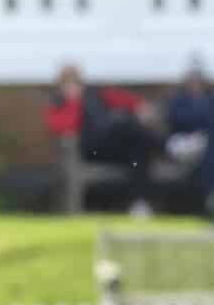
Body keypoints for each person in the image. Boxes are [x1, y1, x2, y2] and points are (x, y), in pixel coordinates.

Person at [45, 64, 162, 218]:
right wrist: (76, 104)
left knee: (138, 148)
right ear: (61, 86)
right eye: (68, 84)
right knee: (125, 124)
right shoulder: (58, 104)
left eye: (75, 83)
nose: (72, 87)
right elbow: (62, 126)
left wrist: (140, 106)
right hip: (91, 149)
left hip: (113, 145)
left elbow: (125, 100)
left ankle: (139, 204)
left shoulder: (95, 94)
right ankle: (168, 146)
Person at [163, 58, 214, 221]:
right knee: (212, 152)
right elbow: (176, 121)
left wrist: (202, 127)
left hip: (211, 146)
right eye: (192, 79)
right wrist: (202, 122)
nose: (195, 82)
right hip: (185, 146)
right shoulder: (178, 100)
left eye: (198, 78)